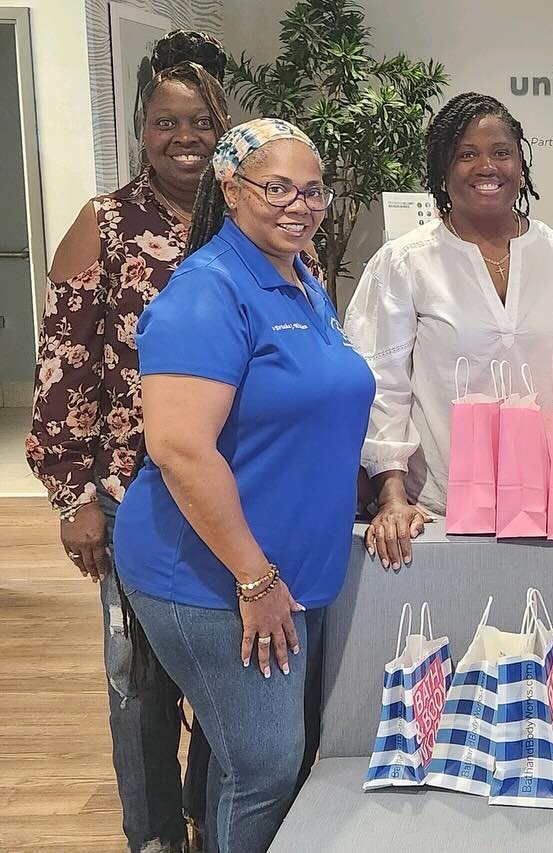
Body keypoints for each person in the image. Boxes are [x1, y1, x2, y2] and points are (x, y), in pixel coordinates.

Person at [112, 118, 374, 853]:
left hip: (292, 569)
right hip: (213, 574)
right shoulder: (208, 290)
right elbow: (178, 448)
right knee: (264, 765)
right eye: (278, 187)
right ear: (231, 189)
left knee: (256, 757)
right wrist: (255, 578)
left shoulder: (298, 278)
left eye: (313, 190)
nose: (300, 205)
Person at [25, 30, 229, 853]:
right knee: (138, 678)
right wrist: (74, 496)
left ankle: (209, 809)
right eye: (164, 123)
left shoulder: (249, 220)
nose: (183, 140)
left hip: (231, 483)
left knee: (230, 663)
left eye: (200, 124)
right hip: (130, 487)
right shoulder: (105, 223)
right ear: (141, 128)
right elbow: (63, 366)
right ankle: (150, 834)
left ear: (224, 128)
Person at [345, 92, 553, 569]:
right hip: (438, 510)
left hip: (552, 508)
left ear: (521, 165)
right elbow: (379, 384)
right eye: (466, 154)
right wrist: (392, 497)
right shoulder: (404, 261)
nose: (486, 166)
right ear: (442, 168)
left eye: (501, 152)